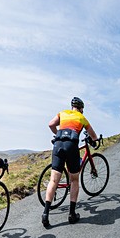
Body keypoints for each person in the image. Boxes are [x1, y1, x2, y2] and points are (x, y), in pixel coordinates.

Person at [41, 96, 99, 228]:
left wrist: (57, 134)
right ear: (81, 109)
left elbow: (51, 124)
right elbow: (93, 136)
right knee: (74, 180)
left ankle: (45, 214)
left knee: (53, 180)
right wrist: (95, 141)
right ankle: (72, 214)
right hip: (71, 146)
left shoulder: (63, 113)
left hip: (58, 144)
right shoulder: (81, 117)